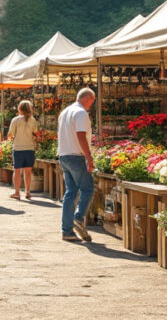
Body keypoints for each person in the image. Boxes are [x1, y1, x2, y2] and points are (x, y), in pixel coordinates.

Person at [58, 88, 97, 242]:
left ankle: (67, 231)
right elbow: (81, 135)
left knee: (70, 192)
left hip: (64, 155)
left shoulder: (65, 112)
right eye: (92, 101)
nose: (91, 105)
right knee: (88, 188)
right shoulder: (81, 113)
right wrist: (89, 157)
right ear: (89, 98)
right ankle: (78, 218)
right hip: (76, 156)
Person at [7, 100, 39, 201]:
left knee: (17, 171)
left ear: (19, 109)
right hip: (29, 148)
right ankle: (28, 192)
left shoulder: (15, 120)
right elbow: (35, 133)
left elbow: (10, 134)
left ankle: (17, 192)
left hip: (18, 148)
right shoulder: (32, 120)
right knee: (28, 171)